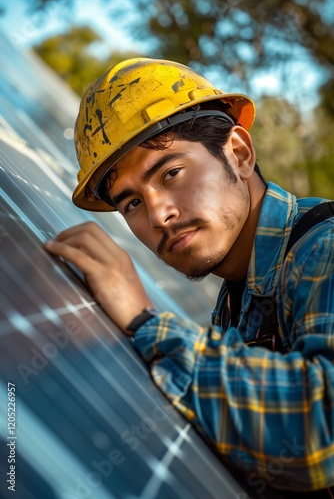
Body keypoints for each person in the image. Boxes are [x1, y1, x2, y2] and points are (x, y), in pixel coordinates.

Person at [44, 58, 334, 494]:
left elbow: (324, 429)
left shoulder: (323, 247)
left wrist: (145, 321)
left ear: (238, 153)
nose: (159, 214)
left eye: (171, 173)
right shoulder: (236, 304)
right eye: (132, 204)